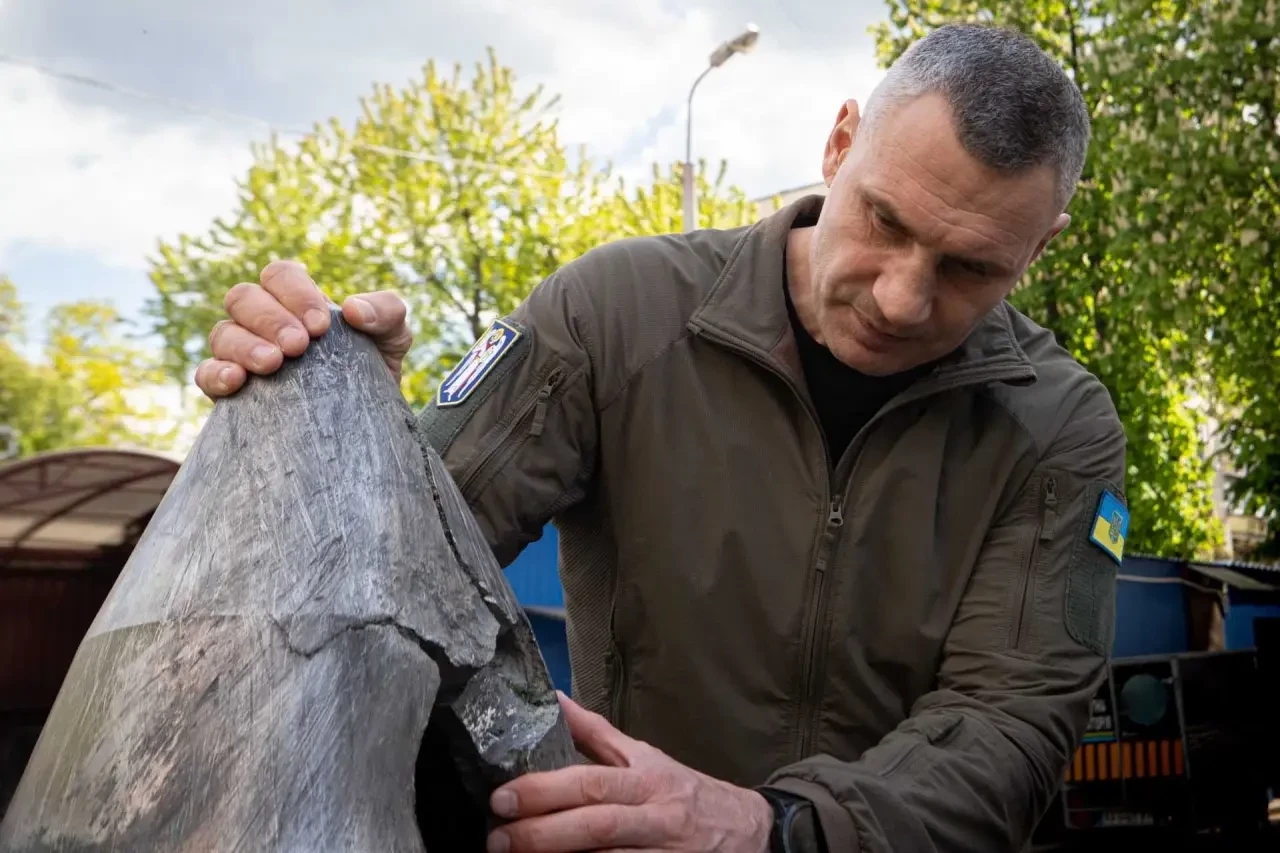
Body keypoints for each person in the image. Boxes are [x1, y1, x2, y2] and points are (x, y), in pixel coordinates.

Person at [196, 23, 1129, 853]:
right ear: (840, 143)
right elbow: (376, 573)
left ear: (1039, 246)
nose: (901, 298)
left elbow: (1011, 726)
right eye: (884, 220)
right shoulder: (613, 314)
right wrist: (345, 410)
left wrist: (771, 827)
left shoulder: (1059, 430)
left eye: (970, 268)